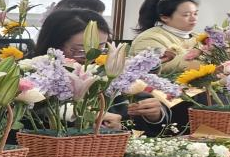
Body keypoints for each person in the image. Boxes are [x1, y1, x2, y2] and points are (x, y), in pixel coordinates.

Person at [31, 9, 169, 131]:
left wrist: (154, 115)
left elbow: (131, 121)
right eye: (80, 50)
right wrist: (83, 116)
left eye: (102, 48)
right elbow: (33, 115)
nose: (92, 55)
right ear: (54, 45)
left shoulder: (110, 72)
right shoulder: (36, 74)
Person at [130, 0, 202, 75]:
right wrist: (206, 57)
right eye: (186, 15)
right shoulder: (148, 38)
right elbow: (160, 67)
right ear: (165, 18)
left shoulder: (199, 37)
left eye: (195, 13)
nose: (193, 18)